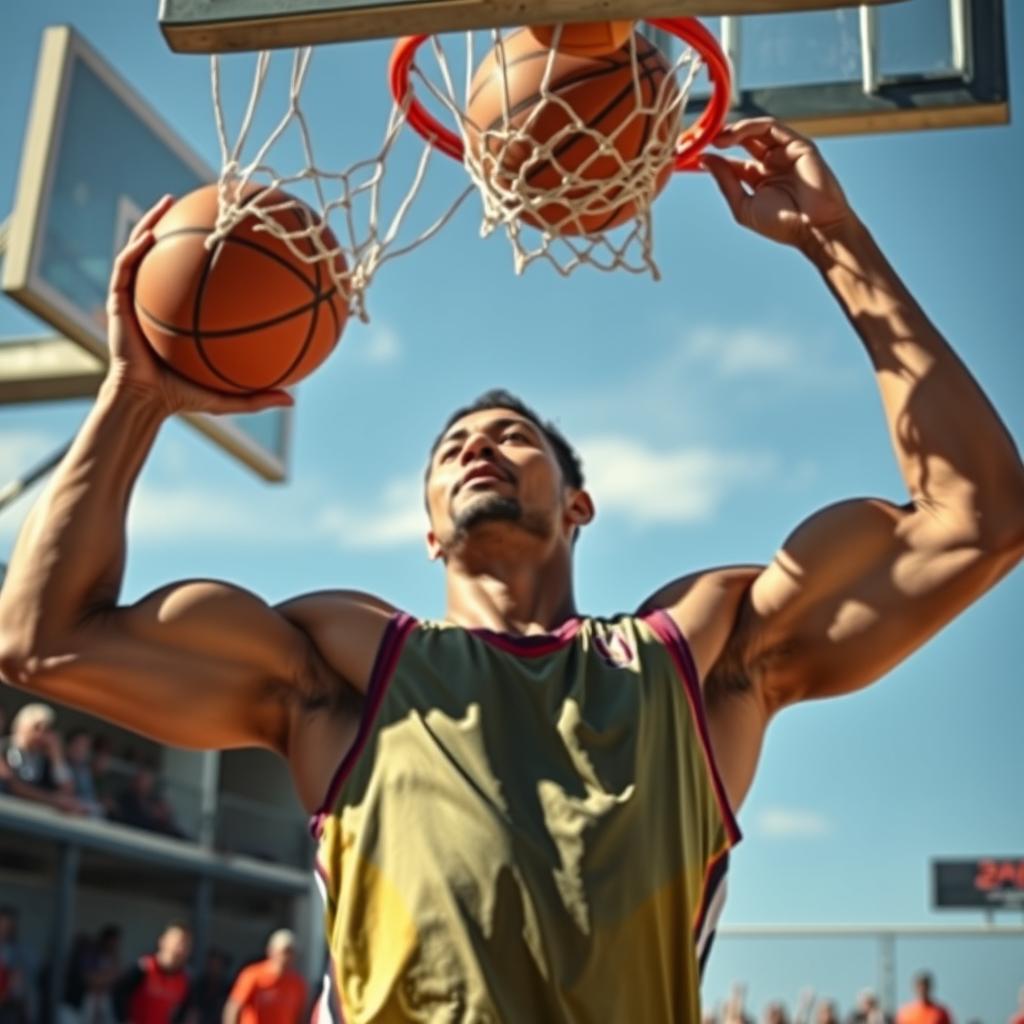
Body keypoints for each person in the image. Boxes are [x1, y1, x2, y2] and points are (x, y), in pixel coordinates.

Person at [0, 117, 1022, 1023]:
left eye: (512, 437)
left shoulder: (696, 656)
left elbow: (977, 520)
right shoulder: (345, 669)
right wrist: (135, 395)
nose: (476, 448)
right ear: (428, 531)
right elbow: (44, 642)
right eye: (450, 449)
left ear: (577, 504)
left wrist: (834, 241)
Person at [112, 922, 192, 1024]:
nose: (182, 948)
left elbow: (183, 1013)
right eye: (179, 942)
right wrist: (125, 1020)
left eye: (187, 944)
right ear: (163, 941)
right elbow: (118, 994)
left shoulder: (184, 981)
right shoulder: (144, 968)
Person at [224, 930, 307, 1024]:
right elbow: (234, 1007)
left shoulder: (297, 983)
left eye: (292, 952)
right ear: (272, 950)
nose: (288, 957)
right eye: (285, 951)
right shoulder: (253, 974)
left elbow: (300, 1015)